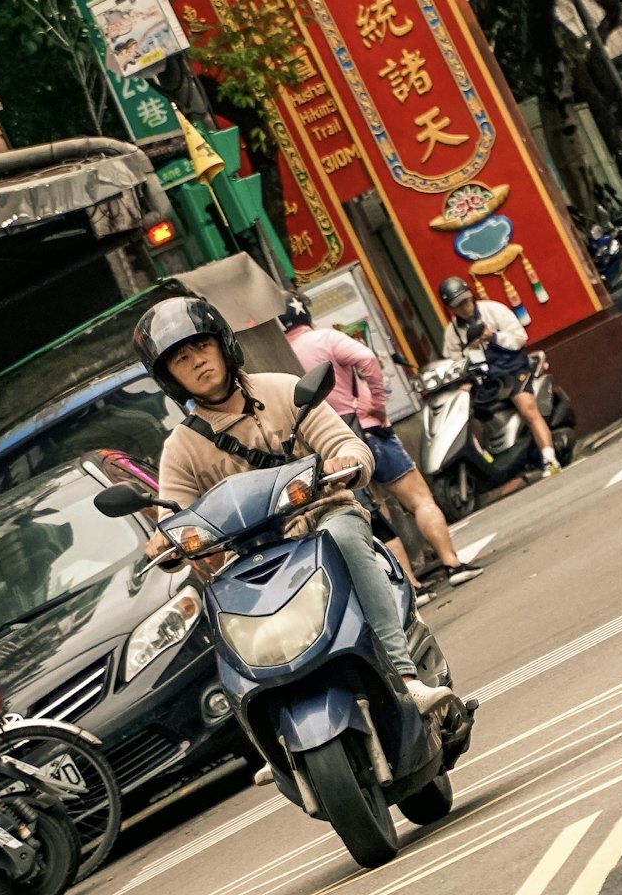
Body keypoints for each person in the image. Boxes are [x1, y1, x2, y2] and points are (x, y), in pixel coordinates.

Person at [133, 295, 456, 782]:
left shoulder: (285, 391)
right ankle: (266, 730)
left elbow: (345, 443)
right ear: (169, 377)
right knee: (214, 598)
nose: (196, 361)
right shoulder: (181, 447)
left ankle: (405, 675)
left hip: (324, 519)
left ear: (223, 345)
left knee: (346, 536)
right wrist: (163, 542)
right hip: (251, 557)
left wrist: (348, 461)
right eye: (180, 358)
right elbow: (175, 513)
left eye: (200, 346)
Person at [279, 295, 483, 589]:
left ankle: (409, 585)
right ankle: (452, 564)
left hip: (333, 449)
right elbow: (367, 358)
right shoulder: (324, 338)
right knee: (420, 499)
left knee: (375, 512)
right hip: (369, 429)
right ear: (304, 314)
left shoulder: (282, 357)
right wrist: (376, 402)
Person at [439, 276, 562, 478]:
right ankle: (487, 459)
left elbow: (520, 338)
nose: (464, 308)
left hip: (512, 370)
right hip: (483, 380)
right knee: (463, 416)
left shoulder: (493, 310)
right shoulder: (452, 333)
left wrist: (493, 337)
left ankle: (550, 459)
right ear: (450, 309)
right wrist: (463, 380)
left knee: (528, 410)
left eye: (466, 301)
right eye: (458, 306)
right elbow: (452, 361)